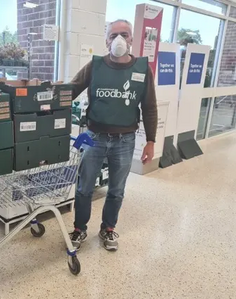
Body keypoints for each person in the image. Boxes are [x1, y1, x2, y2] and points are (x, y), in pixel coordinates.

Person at [69, 19, 158, 251]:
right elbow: (70, 90)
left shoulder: (142, 68)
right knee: (84, 188)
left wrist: (150, 141)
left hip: (125, 140)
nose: (119, 39)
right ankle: (79, 229)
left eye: (125, 34)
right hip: (95, 137)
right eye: (113, 35)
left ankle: (108, 228)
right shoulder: (95, 66)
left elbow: (149, 106)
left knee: (116, 190)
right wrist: (46, 101)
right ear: (106, 40)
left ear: (131, 39)